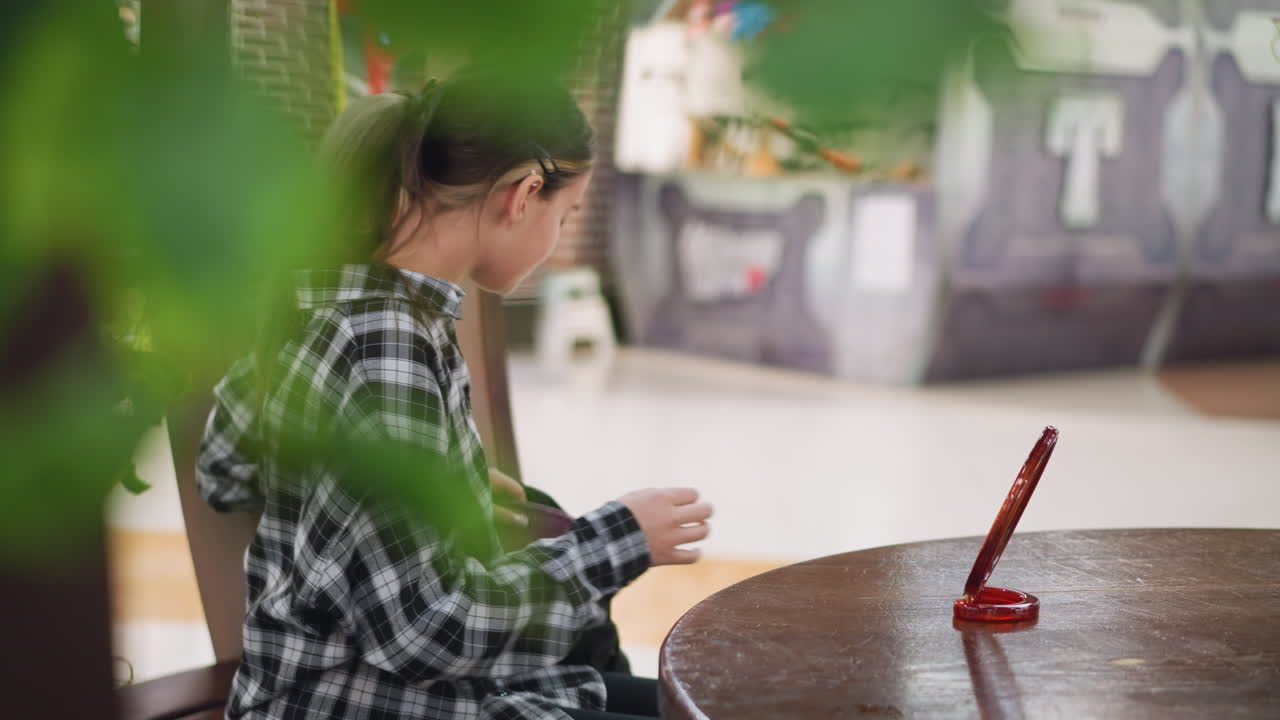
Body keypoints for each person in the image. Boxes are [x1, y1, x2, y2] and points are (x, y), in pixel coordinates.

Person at [196, 67, 713, 720]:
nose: (558, 241)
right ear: (524, 194)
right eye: (567, 212)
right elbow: (429, 631)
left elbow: (224, 466)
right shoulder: (385, 340)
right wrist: (621, 538)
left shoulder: (333, 305)